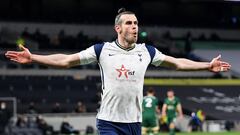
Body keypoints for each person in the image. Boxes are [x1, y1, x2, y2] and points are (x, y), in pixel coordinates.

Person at [5, 8, 231, 135]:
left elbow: (178, 63)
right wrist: (34, 57)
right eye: (130, 23)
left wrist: (207, 66)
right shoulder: (102, 50)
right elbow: (65, 60)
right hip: (109, 122)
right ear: (118, 28)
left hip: (134, 122)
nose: (135, 26)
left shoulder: (147, 51)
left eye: (136, 23)